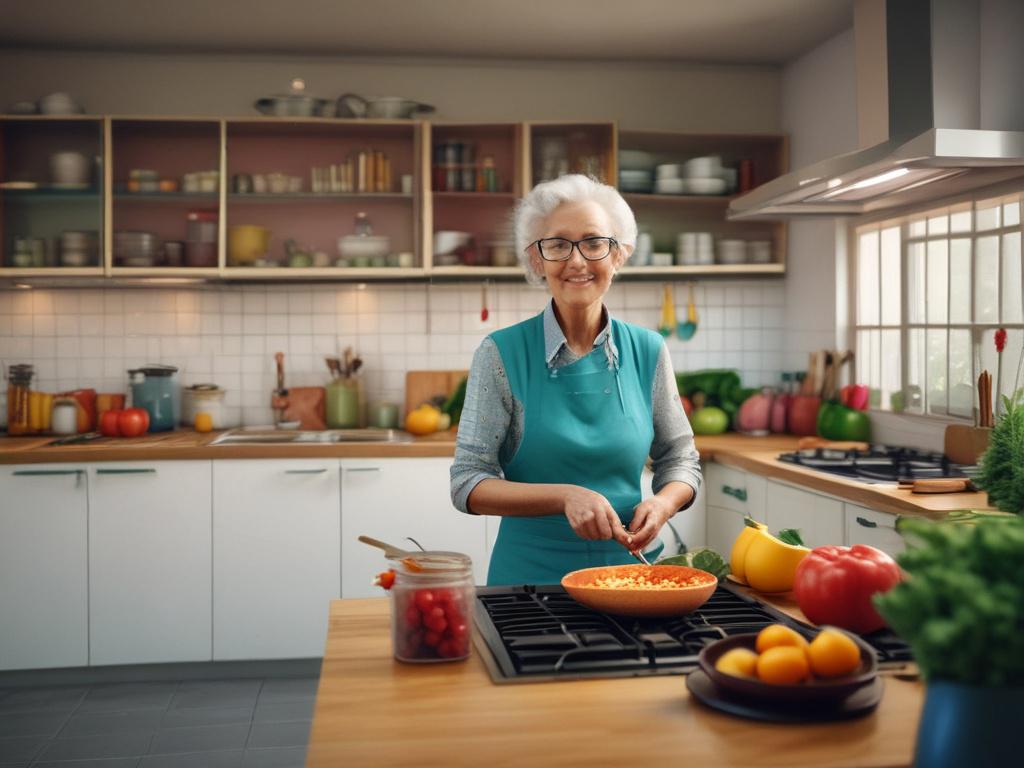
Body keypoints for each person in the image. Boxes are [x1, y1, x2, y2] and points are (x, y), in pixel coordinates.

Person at [450, 174, 702, 585]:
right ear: (537, 259)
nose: (577, 261)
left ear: (619, 255)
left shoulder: (649, 350)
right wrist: (565, 495)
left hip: (631, 578)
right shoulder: (501, 353)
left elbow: (680, 457)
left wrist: (663, 504)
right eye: (557, 244)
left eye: (593, 242)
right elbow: (467, 482)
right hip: (529, 585)